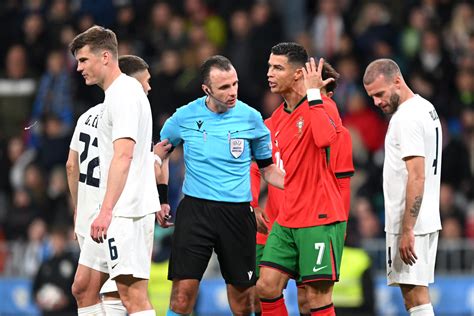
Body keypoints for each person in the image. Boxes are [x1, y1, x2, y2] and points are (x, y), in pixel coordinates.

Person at [156, 55, 285, 315]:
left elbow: (268, 169)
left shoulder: (251, 118)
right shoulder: (185, 116)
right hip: (196, 211)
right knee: (182, 297)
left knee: (243, 302)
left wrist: (300, 186)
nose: (232, 92)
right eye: (224, 87)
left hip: (237, 214)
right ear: (207, 89)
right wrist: (161, 198)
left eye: (235, 84)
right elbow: (161, 153)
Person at [250, 59, 354, 316]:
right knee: (263, 288)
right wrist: (252, 204)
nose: (269, 74)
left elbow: (341, 181)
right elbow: (256, 166)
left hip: (317, 218)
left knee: (311, 298)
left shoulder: (328, 117)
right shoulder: (275, 121)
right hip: (280, 222)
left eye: (277, 68)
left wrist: (341, 226)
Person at [68, 25, 158, 316]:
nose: (79, 67)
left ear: (105, 57)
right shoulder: (114, 95)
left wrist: (105, 210)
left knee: (132, 297)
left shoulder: (125, 95)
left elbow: (124, 155)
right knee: (83, 287)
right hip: (112, 211)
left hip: (125, 212)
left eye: (83, 60)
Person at [363, 58, 442, 316]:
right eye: (372, 97)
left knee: (415, 298)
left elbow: (416, 176)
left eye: (380, 94)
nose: (376, 102)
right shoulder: (425, 107)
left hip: (411, 221)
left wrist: (407, 228)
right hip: (425, 215)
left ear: (397, 81)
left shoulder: (405, 118)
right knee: (415, 296)